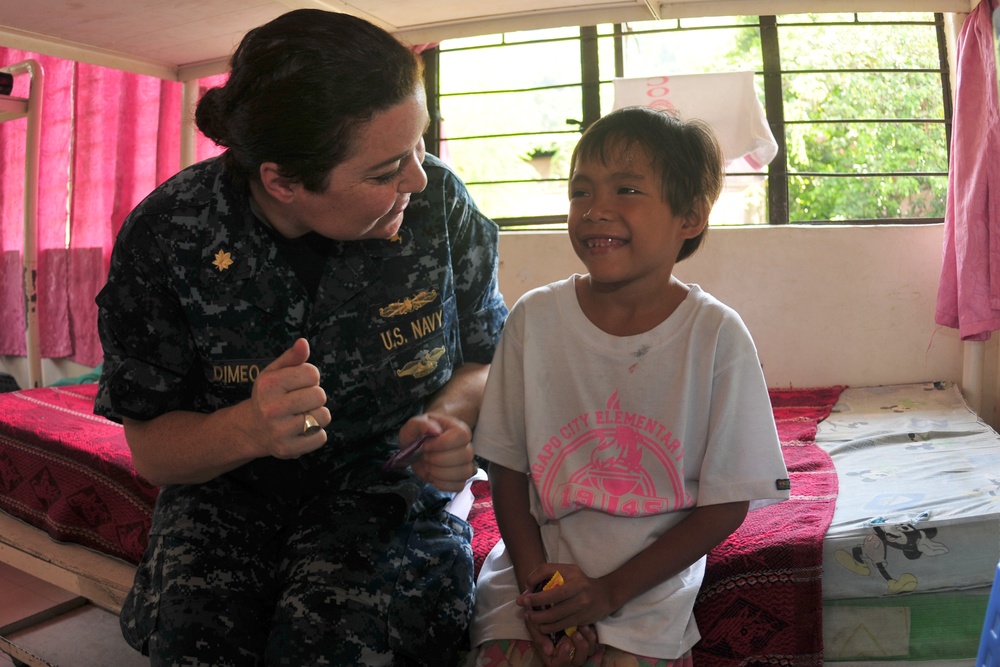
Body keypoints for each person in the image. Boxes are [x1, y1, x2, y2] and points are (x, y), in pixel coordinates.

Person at [94, 9, 508, 666]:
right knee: (199, 644)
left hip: (387, 489)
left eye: (420, 144)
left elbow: (488, 357)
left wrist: (450, 418)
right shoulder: (171, 235)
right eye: (385, 169)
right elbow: (152, 450)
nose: (418, 179)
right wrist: (249, 429)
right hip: (226, 493)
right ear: (282, 181)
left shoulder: (438, 207)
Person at [467, 107, 790, 667]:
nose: (596, 210)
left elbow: (726, 505)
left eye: (628, 189)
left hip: (647, 577)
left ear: (689, 216)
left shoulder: (715, 335)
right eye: (581, 191)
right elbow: (506, 470)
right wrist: (541, 594)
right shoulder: (534, 319)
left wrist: (608, 594)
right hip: (535, 565)